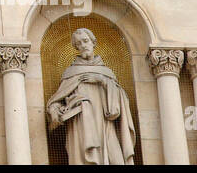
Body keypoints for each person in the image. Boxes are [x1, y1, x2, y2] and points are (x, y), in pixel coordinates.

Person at [45, 27, 137, 165]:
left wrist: (102, 80)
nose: (83, 45)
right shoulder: (71, 73)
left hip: (106, 123)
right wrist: (54, 110)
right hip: (81, 126)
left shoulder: (107, 73)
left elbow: (122, 99)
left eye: (85, 41)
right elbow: (58, 100)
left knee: (116, 159)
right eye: (79, 44)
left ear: (93, 42)